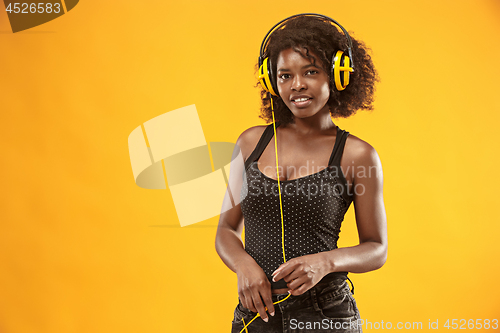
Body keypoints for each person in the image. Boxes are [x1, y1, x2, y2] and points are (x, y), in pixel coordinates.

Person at [215, 14, 387, 333]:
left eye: (311, 72)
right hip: (256, 313)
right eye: (285, 75)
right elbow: (226, 229)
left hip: (325, 312)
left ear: (337, 76)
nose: (297, 85)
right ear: (271, 80)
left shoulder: (357, 155)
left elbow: (377, 248)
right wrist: (243, 266)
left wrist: (326, 262)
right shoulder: (251, 142)